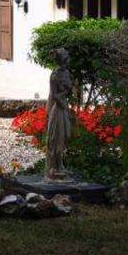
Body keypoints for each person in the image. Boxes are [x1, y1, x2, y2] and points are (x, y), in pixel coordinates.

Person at [45, 47, 74, 180]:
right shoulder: (55, 75)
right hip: (57, 108)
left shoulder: (66, 73)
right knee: (57, 137)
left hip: (64, 106)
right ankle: (55, 166)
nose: (69, 60)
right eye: (67, 58)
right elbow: (55, 94)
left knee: (66, 135)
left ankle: (60, 165)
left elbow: (70, 90)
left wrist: (69, 91)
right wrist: (65, 95)